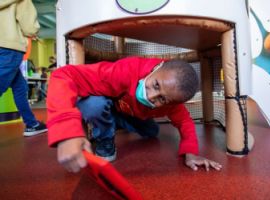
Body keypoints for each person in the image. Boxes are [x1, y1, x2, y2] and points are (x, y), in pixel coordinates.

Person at [47, 57, 222, 173]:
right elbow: (63, 75)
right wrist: (66, 131)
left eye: (162, 99)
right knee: (93, 105)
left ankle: (115, 122)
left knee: (151, 132)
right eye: (155, 84)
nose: (151, 97)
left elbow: (185, 123)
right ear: (157, 67)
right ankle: (105, 138)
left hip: (133, 115)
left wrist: (191, 152)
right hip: (110, 104)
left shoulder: (174, 104)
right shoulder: (126, 70)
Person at [0, 0, 47, 136]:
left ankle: (32, 124)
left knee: (20, 87)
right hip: (9, 47)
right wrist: (34, 31)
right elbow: (30, 28)